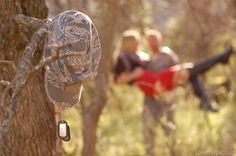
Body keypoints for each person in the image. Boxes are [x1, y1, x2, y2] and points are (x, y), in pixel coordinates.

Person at [114, 30, 234, 112]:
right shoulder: (123, 57)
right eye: (136, 41)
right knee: (192, 69)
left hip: (157, 78)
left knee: (192, 71)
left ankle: (205, 99)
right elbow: (118, 80)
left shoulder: (139, 55)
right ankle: (221, 59)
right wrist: (135, 74)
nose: (138, 43)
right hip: (155, 82)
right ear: (130, 43)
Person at [142, 29, 179, 156]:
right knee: (149, 128)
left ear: (160, 39)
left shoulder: (167, 54)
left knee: (169, 127)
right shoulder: (146, 58)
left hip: (166, 97)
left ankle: (173, 152)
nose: (153, 42)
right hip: (150, 98)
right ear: (147, 42)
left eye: (155, 39)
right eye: (150, 39)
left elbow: (178, 70)